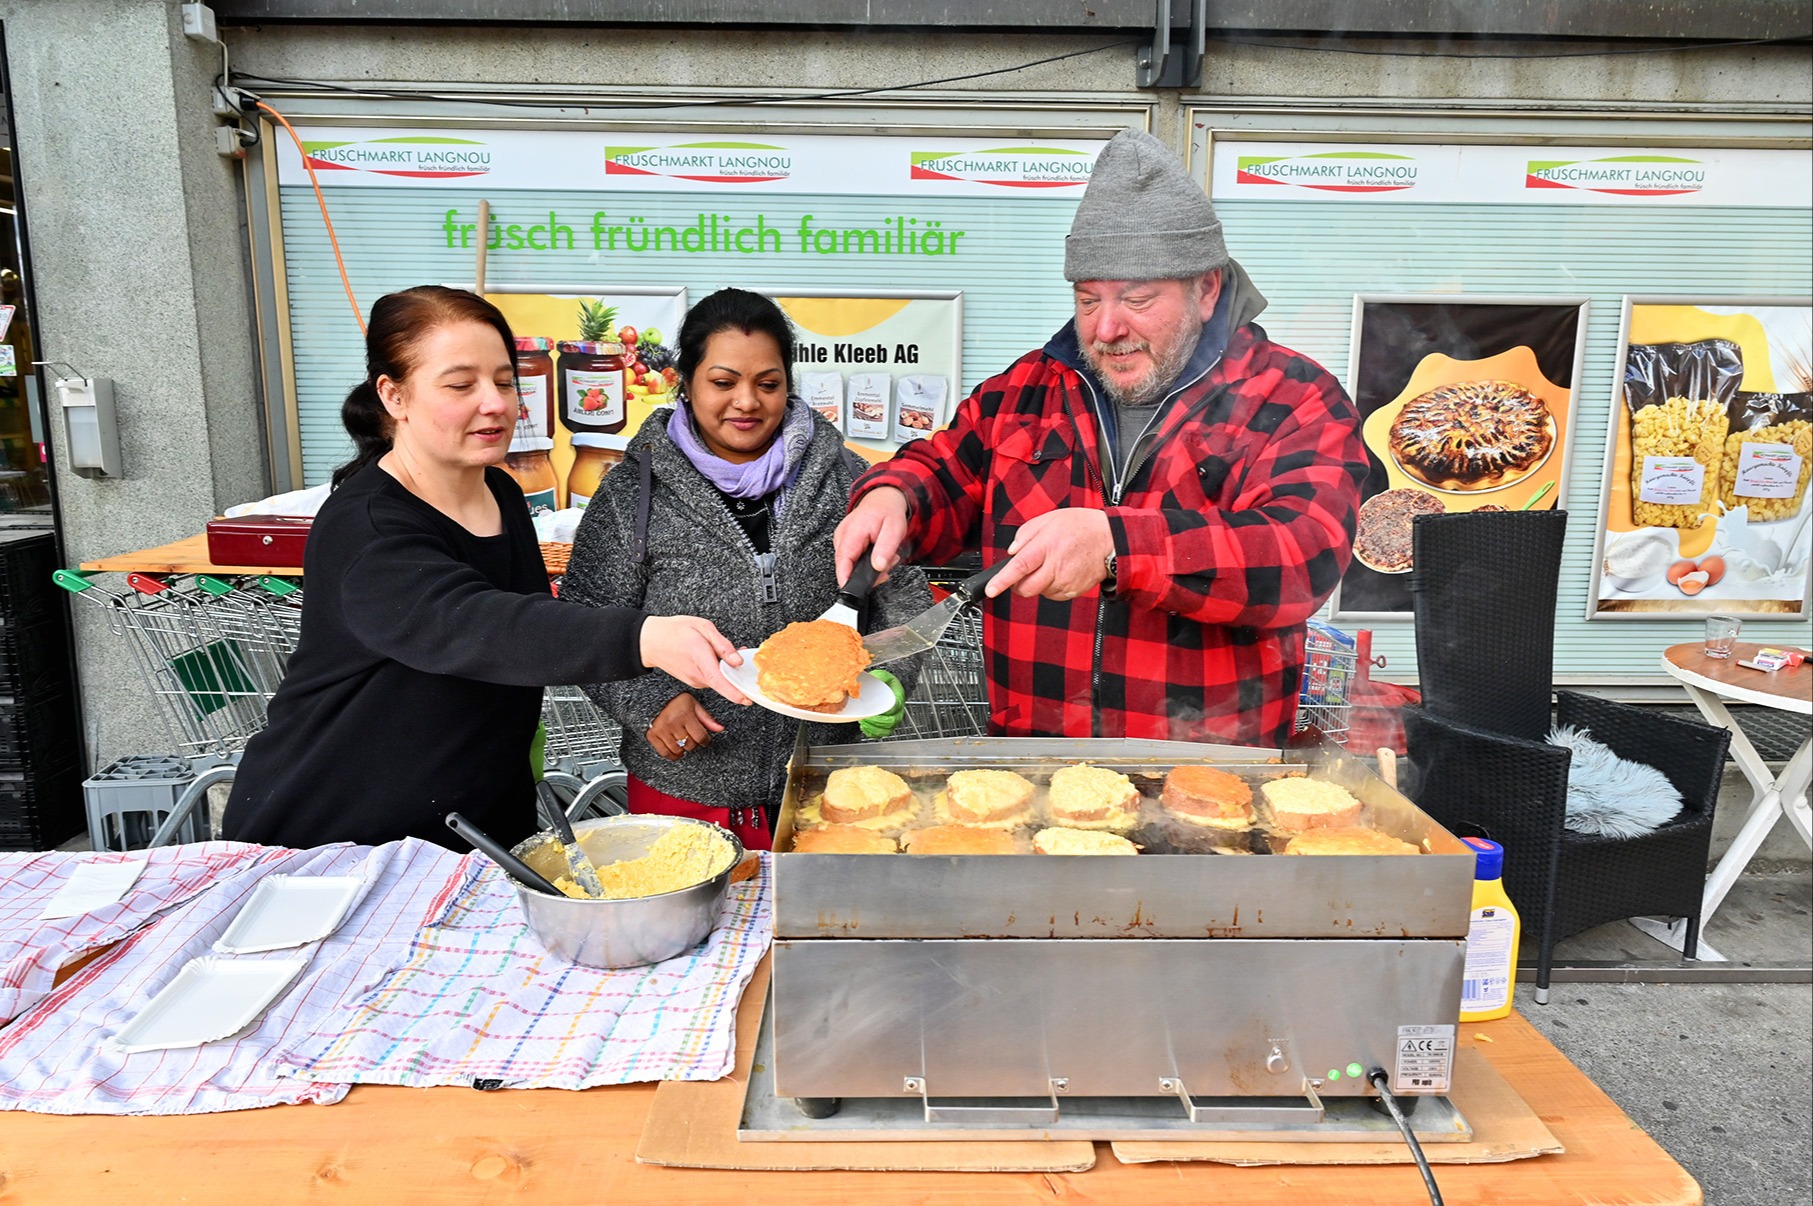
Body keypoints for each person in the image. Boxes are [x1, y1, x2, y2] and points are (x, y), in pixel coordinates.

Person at [834, 129, 1367, 747]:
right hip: (1034, 762)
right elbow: (944, 467)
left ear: (1208, 290)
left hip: (1206, 772)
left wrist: (1117, 543)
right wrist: (891, 496)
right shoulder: (1027, 391)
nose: (1107, 328)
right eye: (1088, 301)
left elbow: (1305, 554)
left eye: (1137, 299)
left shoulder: (1291, 397)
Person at [222, 286, 747, 852]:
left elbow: (532, 630)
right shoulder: (367, 526)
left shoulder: (498, 489)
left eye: (503, 380)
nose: (495, 403)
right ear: (393, 395)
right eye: (460, 385)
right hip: (337, 837)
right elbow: (474, 625)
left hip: (475, 831)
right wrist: (641, 637)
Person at [562, 288, 930, 849]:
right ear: (685, 383)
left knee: (811, 933)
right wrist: (649, 703)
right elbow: (584, 620)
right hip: (684, 784)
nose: (747, 402)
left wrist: (888, 678)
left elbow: (902, 594)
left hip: (828, 784)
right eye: (723, 381)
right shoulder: (630, 493)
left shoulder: (847, 480)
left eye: (768, 383)